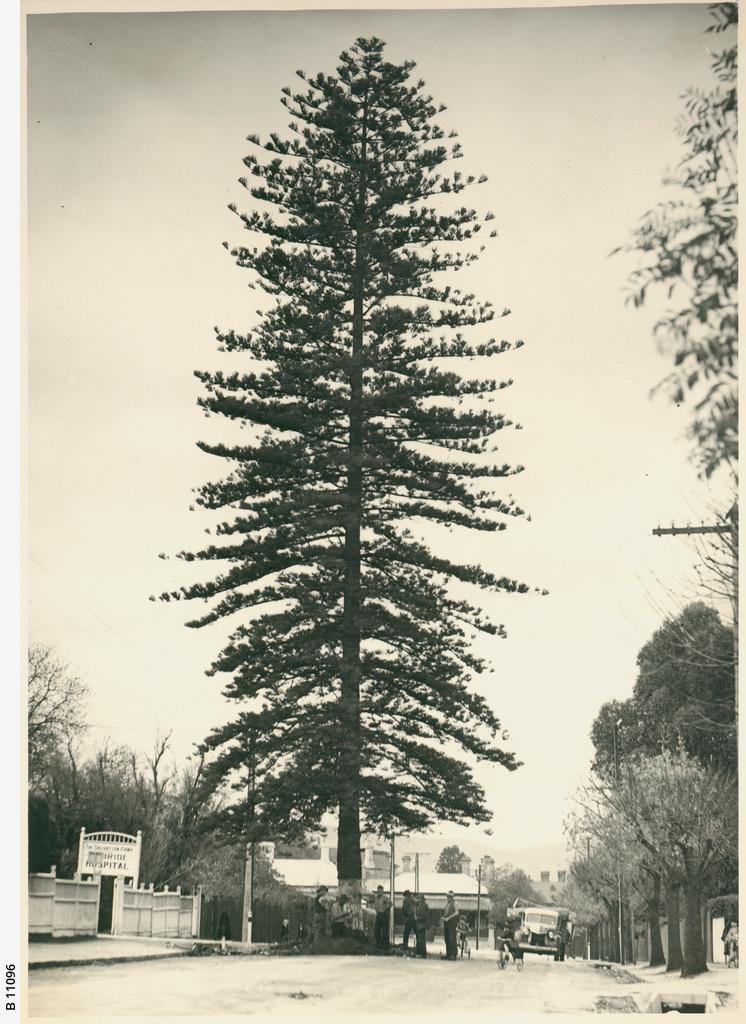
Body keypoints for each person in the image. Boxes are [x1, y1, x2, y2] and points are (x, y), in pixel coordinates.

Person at [373, 885, 392, 949]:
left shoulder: (385, 898)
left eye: (380, 891)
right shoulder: (376, 898)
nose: (379, 892)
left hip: (383, 915)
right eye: (378, 891)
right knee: (376, 930)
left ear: (382, 891)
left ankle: (386, 945)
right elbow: (374, 905)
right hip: (378, 915)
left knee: (384, 931)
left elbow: (391, 903)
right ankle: (379, 944)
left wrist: (386, 908)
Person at [443, 891, 459, 960]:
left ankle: (453, 954)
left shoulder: (455, 903)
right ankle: (448, 953)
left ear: (452, 897)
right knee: (446, 938)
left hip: (452, 922)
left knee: (452, 938)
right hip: (446, 922)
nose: (448, 898)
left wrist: (448, 918)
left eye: (449, 896)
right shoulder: (447, 904)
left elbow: (456, 912)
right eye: (447, 896)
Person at [415, 893, 429, 959]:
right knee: (419, 938)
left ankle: (422, 953)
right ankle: (420, 952)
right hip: (419, 924)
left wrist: (417, 918)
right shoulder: (418, 905)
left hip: (422, 924)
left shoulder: (424, 905)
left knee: (421, 939)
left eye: (419, 898)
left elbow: (424, 916)